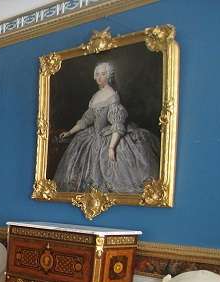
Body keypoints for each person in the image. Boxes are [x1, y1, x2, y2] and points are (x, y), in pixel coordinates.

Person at [53, 62, 160, 194]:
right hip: (93, 136)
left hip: (110, 136)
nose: (99, 77)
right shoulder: (95, 96)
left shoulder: (112, 96)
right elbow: (87, 119)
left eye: (103, 74)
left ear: (108, 76)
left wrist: (112, 147)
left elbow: (117, 124)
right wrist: (70, 132)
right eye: (97, 74)